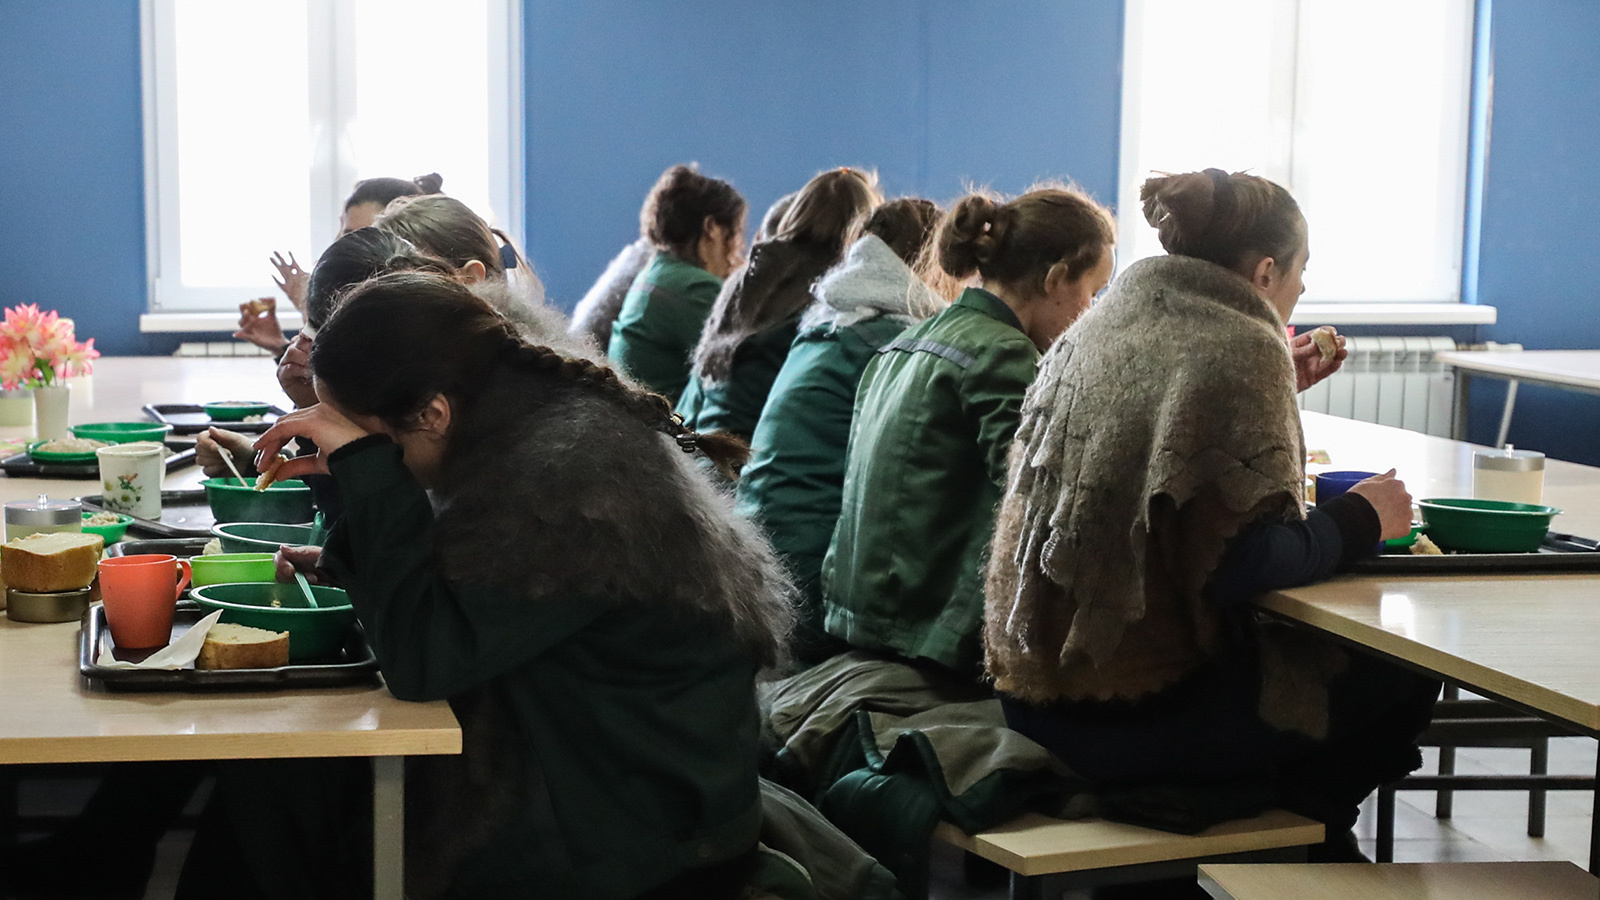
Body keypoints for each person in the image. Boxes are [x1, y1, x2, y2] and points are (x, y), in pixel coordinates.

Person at [176, 272, 795, 900]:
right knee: (268, 778)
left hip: (635, 818)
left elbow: (423, 662)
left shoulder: (570, 474)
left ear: (433, 414)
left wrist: (367, 476)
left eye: (361, 438)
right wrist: (352, 526)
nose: (351, 450)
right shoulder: (516, 420)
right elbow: (481, 587)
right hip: (584, 746)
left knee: (277, 782)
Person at [984, 168, 1438, 861]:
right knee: (1401, 669)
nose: (1302, 289)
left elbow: (1170, 453)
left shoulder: (1099, 323)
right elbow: (1239, 565)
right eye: (1301, 270)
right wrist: (1361, 520)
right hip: (1130, 713)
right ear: (1265, 272)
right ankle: (1298, 846)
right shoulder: (1242, 343)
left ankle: (1245, 823)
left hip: (1031, 694)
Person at [821, 185, 1116, 677]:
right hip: (929, 643)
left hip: (857, 621)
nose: (1092, 312)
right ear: (1056, 279)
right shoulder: (1005, 353)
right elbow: (1035, 504)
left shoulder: (904, 343)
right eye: (1094, 293)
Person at [736, 198, 943, 663]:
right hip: (807, 595)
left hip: (758, 567)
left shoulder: (826, 326)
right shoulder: (892, 344)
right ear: (936, 266)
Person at [677, 168, 881, 444]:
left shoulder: (745, 278)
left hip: (702, 448)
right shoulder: (831, 297)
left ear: (796, 214)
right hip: (747, 455)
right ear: (864, 230)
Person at [236, 174, 443, 354]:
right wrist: (281, 347)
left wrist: (311, 312)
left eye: (356, 235)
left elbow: (344, 382)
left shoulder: (416, 318)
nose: (337, 243)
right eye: (342, 229)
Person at [608, 164, 747, 404]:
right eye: (736, 233)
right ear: (712, 228)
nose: (739, 249)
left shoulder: (655, 274)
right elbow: (746, 367)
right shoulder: (694, 287)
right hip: (667, 423)